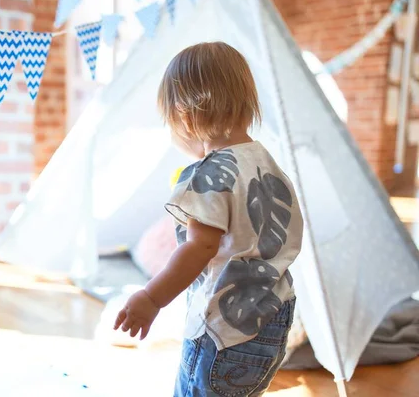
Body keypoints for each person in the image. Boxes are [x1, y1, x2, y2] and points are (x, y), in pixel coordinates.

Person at [113, 42, 303, 397]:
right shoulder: (268, 165)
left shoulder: (209, 174)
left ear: (185, 115)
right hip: (273, 321)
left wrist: (152, 298)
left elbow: (201, 246)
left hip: (223, 333)